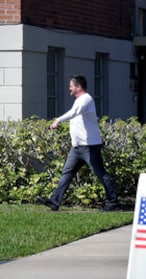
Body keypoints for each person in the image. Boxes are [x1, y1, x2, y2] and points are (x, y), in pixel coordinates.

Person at [37, 75, 118, 211]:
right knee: (67, 173)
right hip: (77, 147)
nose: (69, 88)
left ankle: (113, 202)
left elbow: (74, 112)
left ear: (78, 87)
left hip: (89, 146)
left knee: (100, 173)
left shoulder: (86, 100)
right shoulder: (79, 100)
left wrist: (58, 120)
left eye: (71, 86)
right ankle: (54, 201)